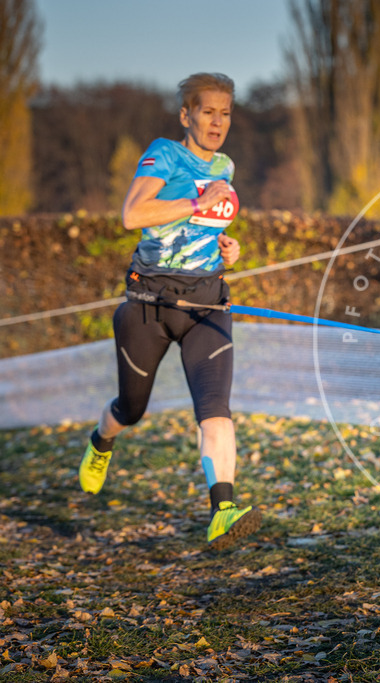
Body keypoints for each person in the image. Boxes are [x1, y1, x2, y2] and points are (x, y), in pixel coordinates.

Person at [79, 72, 260, 550]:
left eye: (225, 113)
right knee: (131, 408)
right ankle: (101, 440)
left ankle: (223, 510)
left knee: (215, 411)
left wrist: (227, 251)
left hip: (207, 303)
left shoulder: (226, 165)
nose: (217, 122)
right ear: (187, 116)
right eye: (207, 112)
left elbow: (203, 229)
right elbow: (133, 215)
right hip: (150, 304)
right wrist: (197, 198)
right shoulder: (165, 154)